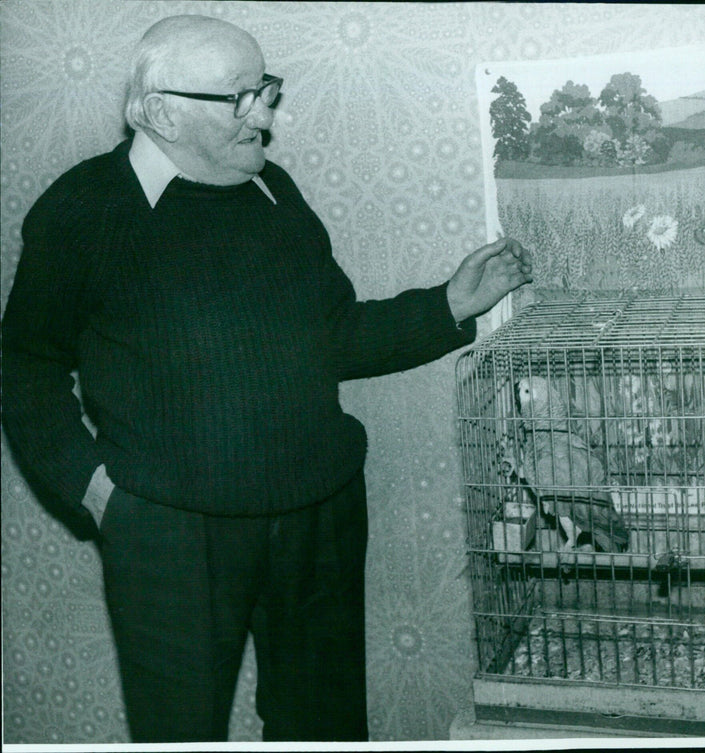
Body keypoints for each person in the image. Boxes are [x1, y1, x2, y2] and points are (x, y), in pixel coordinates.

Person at [1, 14, 532, 743]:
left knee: (325, 729)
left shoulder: (273, 191)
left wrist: (447, 305)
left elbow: (334, 334)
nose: (266, 114)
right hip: (170, 537)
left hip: (319, 520)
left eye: (265, 90)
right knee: (179, 733)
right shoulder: (82, 209)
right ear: (163, 112)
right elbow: (25, 363)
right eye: (240, 98)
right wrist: (96, 491)